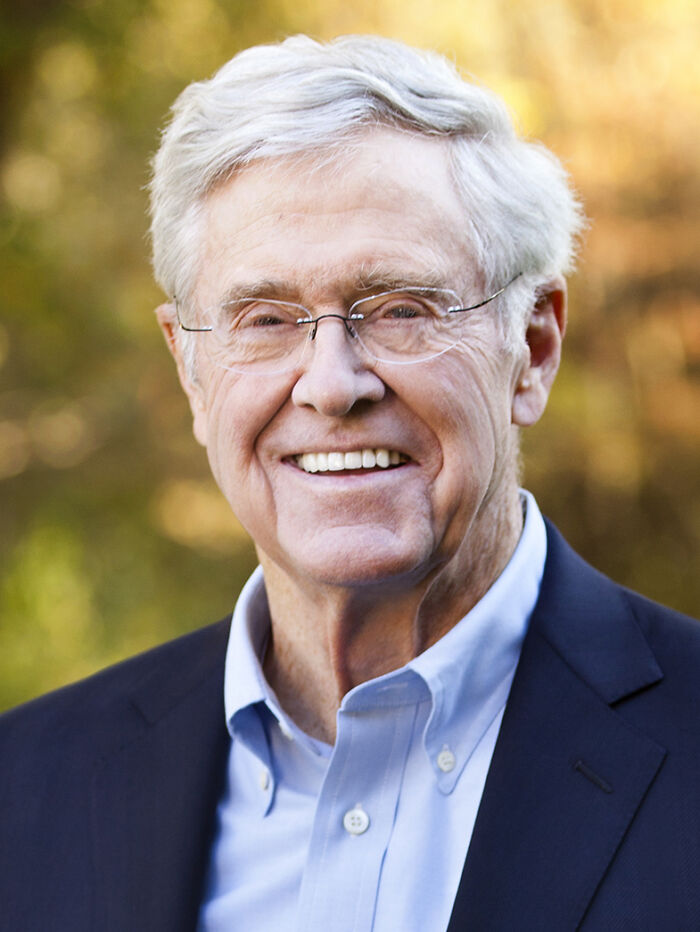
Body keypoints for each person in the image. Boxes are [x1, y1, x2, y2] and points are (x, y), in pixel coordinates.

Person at [1, 34, 699, 932]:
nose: (332, 384)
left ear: (532, 350)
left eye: (401, 308)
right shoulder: (28, 789)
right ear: (190, 372)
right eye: (266, 319)